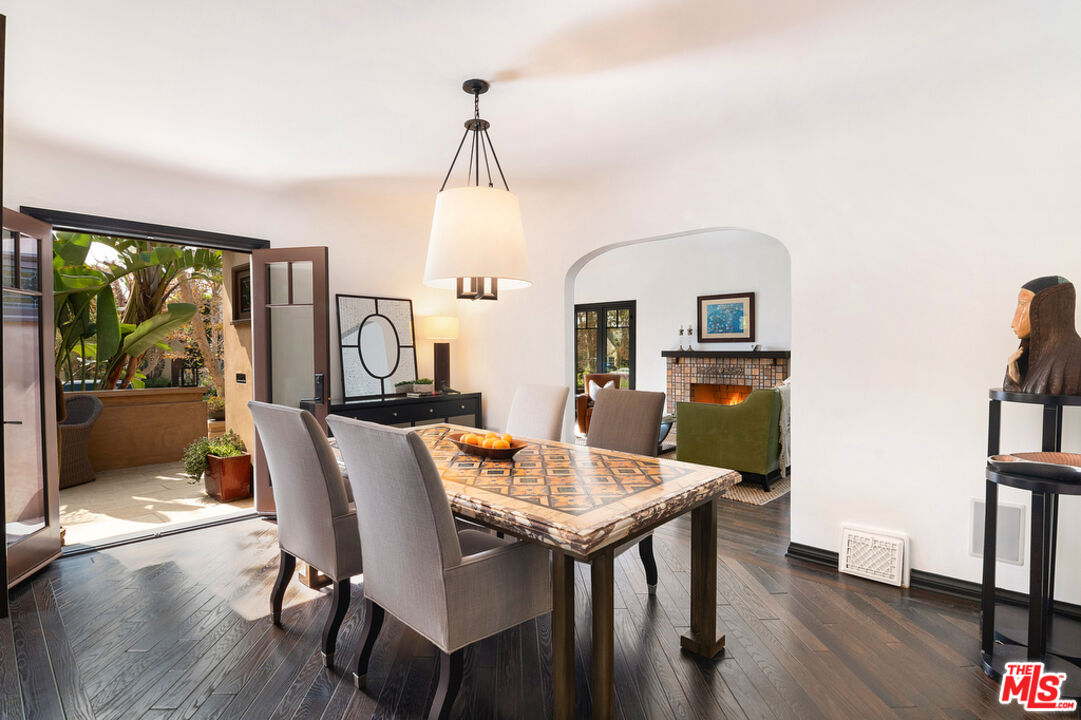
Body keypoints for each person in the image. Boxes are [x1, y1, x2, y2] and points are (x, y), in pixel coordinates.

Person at [1004, 275, 1081, 395]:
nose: (1013, 323)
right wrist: (1014, 379)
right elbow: (1028, 392)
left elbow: (1034, 392)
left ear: (1045, 309)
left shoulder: (1073, 358)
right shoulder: (1037, 357)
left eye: (1023, 304)